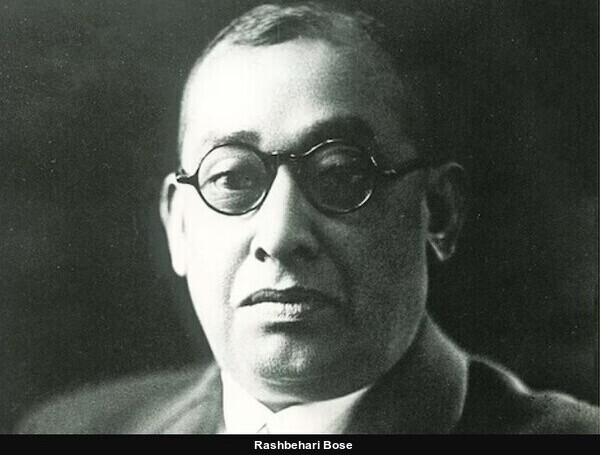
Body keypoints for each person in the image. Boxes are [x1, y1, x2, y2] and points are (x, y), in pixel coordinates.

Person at [18, 1, 599, 434]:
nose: (280, 235)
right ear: (179, 227)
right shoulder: (70, 432)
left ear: (439, 212)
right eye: (232, 179)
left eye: (341, 174)